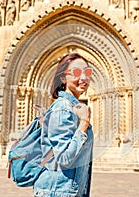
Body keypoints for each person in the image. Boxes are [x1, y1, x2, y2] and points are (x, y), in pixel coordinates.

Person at [34, 53, 94, 197]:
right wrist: (84, 123)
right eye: (77, 72)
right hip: (58, 191)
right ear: (63, 78)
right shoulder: (63, 108)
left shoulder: (72, 107)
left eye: (87, 72)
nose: (83, 78)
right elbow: (65, 158)